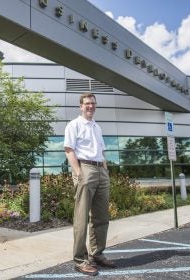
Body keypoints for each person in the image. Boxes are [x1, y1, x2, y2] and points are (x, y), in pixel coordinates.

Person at [64, 92, 116, 276]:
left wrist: (105, 170)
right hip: (85, 168)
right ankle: (80, 260)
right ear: (80, 106)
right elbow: (69, 150)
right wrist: (79, 173)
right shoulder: (74, 125)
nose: (90, 106)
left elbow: (101, 151)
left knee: (101, 217)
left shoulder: (97, 127)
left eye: (93, 103)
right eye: (87, 103)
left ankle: (97, 254)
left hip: (101, 171)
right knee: (81, 217)